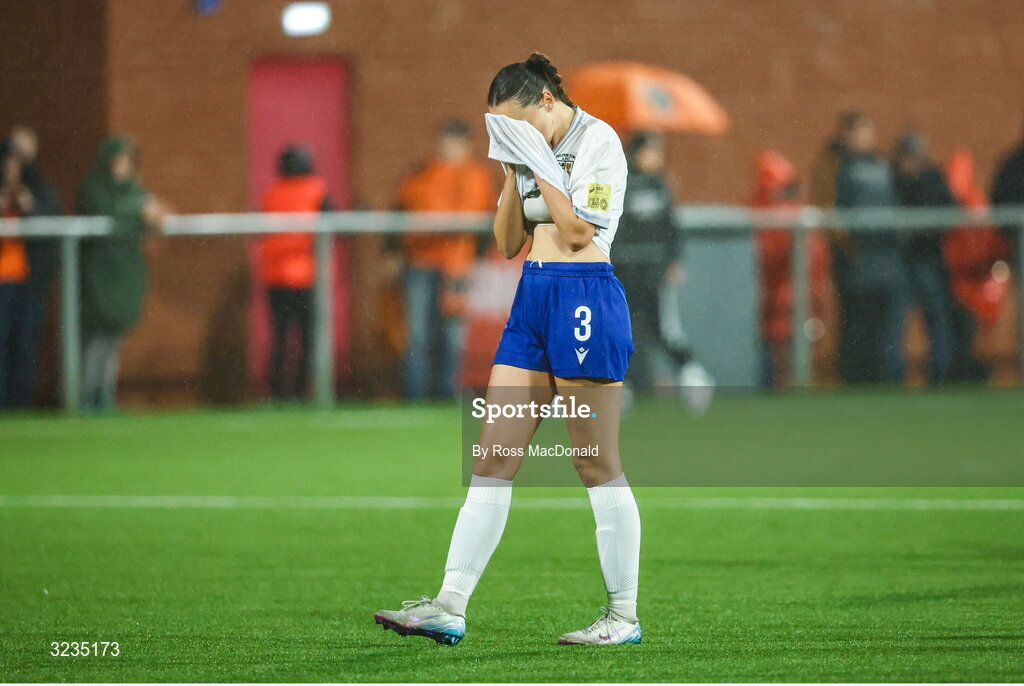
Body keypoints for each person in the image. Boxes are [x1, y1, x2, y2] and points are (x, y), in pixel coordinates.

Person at [375, 53, 640, 646]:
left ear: (546, 100)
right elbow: (505, 242)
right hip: (533, 299)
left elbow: (578, 233)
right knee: (491, 460)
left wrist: (537, 162)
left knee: (595, 464)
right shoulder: (527, 151)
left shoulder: (600, 141)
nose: (512, 137)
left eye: (517, 124)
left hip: (583, 299)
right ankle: (449, 604)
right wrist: (509, 174)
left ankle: (622, 615)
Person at [396, 119, 496, 399]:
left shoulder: (476, 175)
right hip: (421, 261)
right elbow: (404, 209)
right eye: (444, 141)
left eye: (452, 142)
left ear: (466, 145)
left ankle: (446, 392)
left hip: (456, 264)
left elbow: (476, 217)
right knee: (417, 332)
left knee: (452, 333)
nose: (446, 148)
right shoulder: (423, 173)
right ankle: (415, 393)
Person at [614, 131, 713, 412]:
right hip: (626, 270)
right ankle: (618, 387)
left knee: (664, 330)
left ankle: (693, 376)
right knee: (621, 329)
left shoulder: (660, 185)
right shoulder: (620, 183)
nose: (655, 157)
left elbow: (671, 229)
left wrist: (674, 261)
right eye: (650, 151)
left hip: (654, 272)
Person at [77, 136, 167, 412]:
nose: (122, 168)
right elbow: (113, 210)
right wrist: (140, 207)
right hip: (97, 276)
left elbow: (160, 216)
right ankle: (84, 398)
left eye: (127, 162)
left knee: (111, 342)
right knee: (96, 340)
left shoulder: (134, 191)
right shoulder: (93, 188)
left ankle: (104, 396)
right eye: (118, 161)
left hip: (123, 276)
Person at [832, 113, 906, 384]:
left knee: (889, 330)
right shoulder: (833, 166)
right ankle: (857, 381)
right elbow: (831, 215)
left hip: (888, 263)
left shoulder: (886, 166)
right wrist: (848, 250)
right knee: (858, 328)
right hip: (857, 264)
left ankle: (890, 380)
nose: (865, 138)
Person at [751, 149, 830, 387]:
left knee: (789, 363)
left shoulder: (788, 216)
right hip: (781, 300)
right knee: (782, 363)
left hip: (793, 299)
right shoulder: (775, 216)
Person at [257, 145, 330, 401]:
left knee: (280, 338)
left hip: (275, 276)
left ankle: (278, 392)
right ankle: (303, 391)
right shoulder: (317, 190)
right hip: (306, 277)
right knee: (307, 338)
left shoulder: (272, 193)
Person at [890, 131, 958, 384]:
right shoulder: (893, 179)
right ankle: (894, 379)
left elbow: (949, 214)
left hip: (929, 261)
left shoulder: (933, 178)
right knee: (896, 324)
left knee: (937, 321)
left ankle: (941, 377)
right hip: (901, 262)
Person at [5, 126, 61, 407]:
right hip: (4, 282)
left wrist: (29, 205)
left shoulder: (38, 186)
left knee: (25, 344)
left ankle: (20, 402)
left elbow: (52, 218)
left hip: (29, 282)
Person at [0, 140, 34, 408]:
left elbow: (40, 212)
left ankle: (17, 402)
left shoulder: (28, 187)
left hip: (19, 277)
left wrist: (23, 199)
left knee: (20, 341)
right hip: (2, 278)